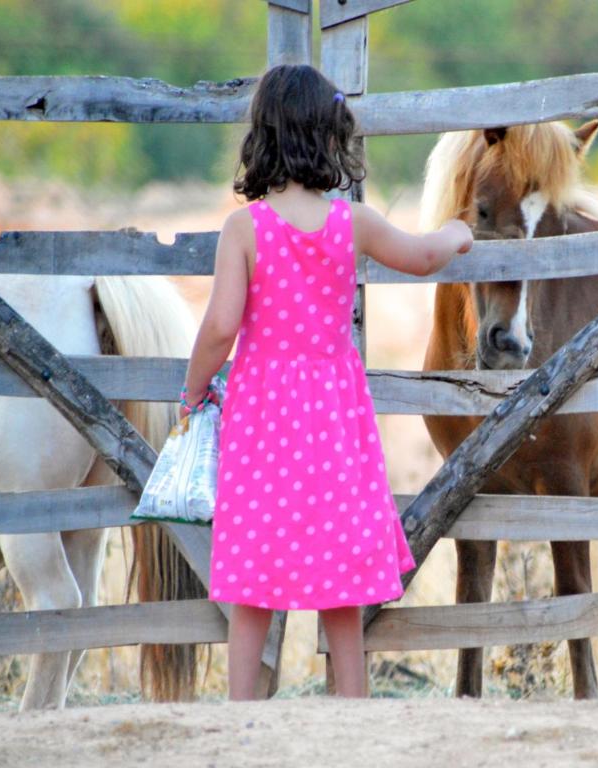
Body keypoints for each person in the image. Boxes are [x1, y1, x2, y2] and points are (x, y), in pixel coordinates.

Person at [180, 64, 473, 700]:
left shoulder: (245, 229)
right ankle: (352, 707)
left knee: (253, 577)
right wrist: (454, 231)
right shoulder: (351, 223)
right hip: (334, 416)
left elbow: (221, 323)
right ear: (328, 136)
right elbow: (422, 258)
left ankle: (240, 711)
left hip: (262, 415)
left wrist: (194, 387)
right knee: (342, 575)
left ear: (262, 137)